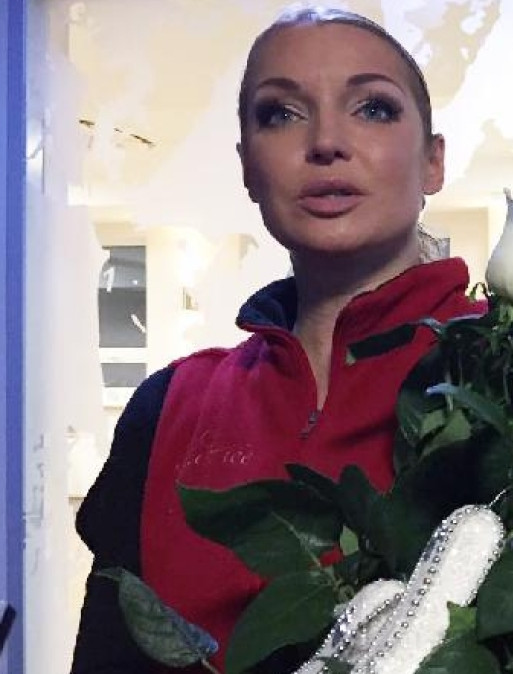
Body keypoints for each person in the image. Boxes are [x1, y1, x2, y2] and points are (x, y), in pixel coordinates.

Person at [70, 7, 480, 672]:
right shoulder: (167, 407)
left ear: (433, 161)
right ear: (247, 167)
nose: (325, 142)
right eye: (280, 114)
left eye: (372, 108)